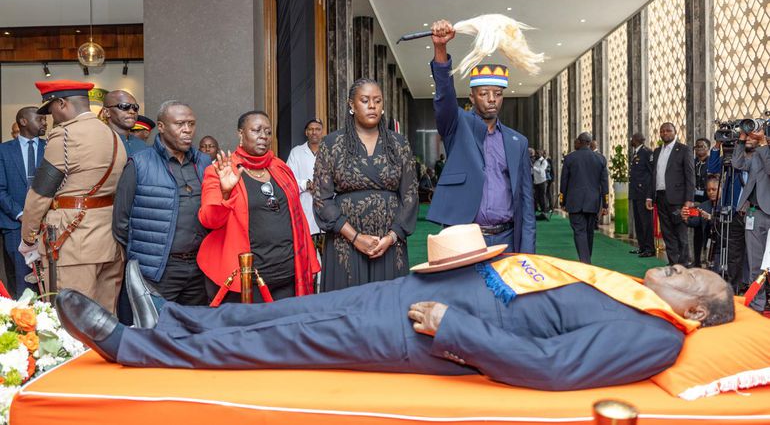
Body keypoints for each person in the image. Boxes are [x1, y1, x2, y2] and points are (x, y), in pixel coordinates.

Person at [56, 223, 735, 392]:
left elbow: (553, 367)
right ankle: (171, 319)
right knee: (281, 315)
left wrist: (457, 327)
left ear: (698, 313)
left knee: (278, 343)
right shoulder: (632, 293)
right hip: (424, 290)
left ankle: (131, 347)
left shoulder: (654, 336)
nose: (681, 266)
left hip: (426, 329)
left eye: (695, 277)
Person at [426, 19, 535, 252]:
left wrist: (527, 255)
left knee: (504, 290)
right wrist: (440, 49)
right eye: (484, 93)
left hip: (507, 238)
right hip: (466, 238)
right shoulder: (457, 126)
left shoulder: (518, 142)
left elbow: (526, 203)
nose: (492, 99)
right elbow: (444, 95)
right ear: (472, 97)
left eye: (497, 93)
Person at [18, 80, 127, 312]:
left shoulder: (65, 136)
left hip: (73, 242)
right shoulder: (114, 136)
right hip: (110, 242)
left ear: (62, 103)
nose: (51, 117)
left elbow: (40, 194)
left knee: (72, 319)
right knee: (106, 320)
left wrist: (28, 238)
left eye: (51, 110)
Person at [197, 111, 320, 303]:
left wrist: (307, 262)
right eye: (256, 130)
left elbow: (298, 219)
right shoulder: (220, 171)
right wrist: (226, 192)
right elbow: (209, 220)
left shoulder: (280, 168)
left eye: (268, 132)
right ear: (240, 134)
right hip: (246, 278)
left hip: (287, 275)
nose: (264, 135)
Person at [312, 78, 418, 291]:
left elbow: (410, 195)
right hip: (345, 242)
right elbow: (321, 199)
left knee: (386, 307)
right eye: (365, 100)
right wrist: (355, 237)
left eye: (377, 101)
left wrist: (390, 237)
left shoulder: (398, 144)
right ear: (351, 105)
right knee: (347, 309)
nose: (372, 106)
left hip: (389, 243)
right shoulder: (332, 144)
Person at [112, 101, 211, 306]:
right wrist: (144, 254)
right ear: (162, 126)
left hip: (200, 267)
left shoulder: (203, 162)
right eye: (180, 124)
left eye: (191, 124)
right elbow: (121, 222)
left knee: (195, 331)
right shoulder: (139, 162)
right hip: (158, 270)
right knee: (156, 331)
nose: (187, 130)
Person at [0, 107, 47, 296]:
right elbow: (0, 190)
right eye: (40, 119)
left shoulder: (52, 147)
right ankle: (25, 321)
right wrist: (22, 215)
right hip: (14, 225)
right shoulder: (3, 150)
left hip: (48, 225)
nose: (45, 123)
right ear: (23, 121)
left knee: (48, 278)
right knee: (21, 281)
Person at [730, 129, 770, 312]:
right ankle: (758, 304)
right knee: (755, 262)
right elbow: (737, 163)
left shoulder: (764, 151)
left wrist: (763, 144)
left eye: (757, 133)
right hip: (755, 213)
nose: (753, 136)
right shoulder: (755, 155)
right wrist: (740, 141)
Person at [646, 123, 695, 266]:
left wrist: (689, 200)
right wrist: (650, 196)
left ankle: (684, 264)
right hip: (660, 197)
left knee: (681, 233)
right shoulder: (656, 151)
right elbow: (653, 175)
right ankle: (673, 263)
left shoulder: (683, 150)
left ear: (675, 132)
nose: (665, 133)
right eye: (662, 131)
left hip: (678, 199)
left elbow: (690, 175)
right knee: (667, 233)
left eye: (668, 130)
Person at [559, 133, 609, 264]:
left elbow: (564, 181)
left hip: (575, 201)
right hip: (593, 202)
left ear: (580, 142)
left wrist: (562, 200)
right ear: (590, 142)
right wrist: (606, 204)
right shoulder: (600, 159)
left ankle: (585, 262)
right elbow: (604, 183)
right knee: (589, 232)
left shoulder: (570, 158)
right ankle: (587, 258)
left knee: (579, 232)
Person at [707, 139, 747, 290]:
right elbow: (712, 168)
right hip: (730, 210)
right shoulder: (729, 159)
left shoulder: (751, 157)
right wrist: (717, 145)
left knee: (745, 253)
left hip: (747, 210)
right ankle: (732, 286)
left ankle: (744, 285)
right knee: (732, 251)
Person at [286, 119, 324, 238]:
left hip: (327, 207)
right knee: (308, 250)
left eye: (317, 129)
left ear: (322, 132)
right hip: (305, 206)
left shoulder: (329, 151)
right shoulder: (296, 152)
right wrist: (306, 184)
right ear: (306, 132)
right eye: (311, 129)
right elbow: (288, 179)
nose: (314, 132)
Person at [682, 175, 720, 265]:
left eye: (714, 189)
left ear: (721, 188)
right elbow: (695, 222)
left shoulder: (727, 205)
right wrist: (685, 218)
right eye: (708, 190)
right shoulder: (703, 206)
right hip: (708, 242)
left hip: (723, 244)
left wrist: (710, 217)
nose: (711, 192)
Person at [630, 132, 655, 258]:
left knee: (646, 222)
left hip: (644, 193)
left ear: (636, 140)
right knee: (639, 222)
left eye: (632, 139)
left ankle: (650, 248)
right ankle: (642, 247)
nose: (631, 141)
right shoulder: (636, 153)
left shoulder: (647, 153)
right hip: (635, 193)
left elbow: (651, 175)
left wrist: (649, 195)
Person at [102, 90, 147, 156]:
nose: (132, 111)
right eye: (124, 106)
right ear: (106, 112)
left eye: (135, 108)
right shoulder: (99, 143)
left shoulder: (142, 145)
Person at [692, 138, 711, 267]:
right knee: (697, 230)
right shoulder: (692, 162)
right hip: (695, 201)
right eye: (697, 146)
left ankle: (708, 259)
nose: (699, 148)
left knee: (708, 231)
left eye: (702, 146)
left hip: (708, 200)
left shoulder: (712, 162)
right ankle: (697, 260)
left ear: (708, 148)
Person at [532, 150, 549, 218]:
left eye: (537, 154)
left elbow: (541, 171)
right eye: (536, 153)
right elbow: (533, 171)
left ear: (541, 154)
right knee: (537, 197)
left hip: (542, 181)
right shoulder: (536, 161)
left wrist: (533, 167)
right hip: (536, 181)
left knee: (543, 197)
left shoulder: (544, 161)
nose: (536, 155)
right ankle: (541, 211)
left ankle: (544, 211)